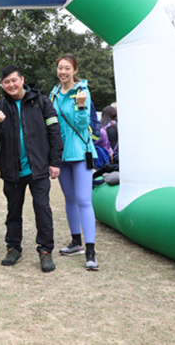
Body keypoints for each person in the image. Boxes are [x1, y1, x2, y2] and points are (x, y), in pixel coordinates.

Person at [0, 65, 63, 272]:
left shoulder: (41, 102)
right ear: (2, 85)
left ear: (22, 80)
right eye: (6, 82)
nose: (11, 85)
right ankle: (13, 248)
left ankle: (45, 251)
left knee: (42, 209)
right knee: (13, 212)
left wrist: (55, 162)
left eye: (14, 80)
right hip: (12, 170)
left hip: (38, 169)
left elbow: (55, 132)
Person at [50, 54, 100, 271]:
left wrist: (80, 105)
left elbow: (82, 125)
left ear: (75, 70)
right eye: (60, 68)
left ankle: (90, 251)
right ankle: (76, 242)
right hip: (61, 154)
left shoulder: (82, 91)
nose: (63, 72)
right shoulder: (53, 93)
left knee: (84, 200)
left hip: (80, 152)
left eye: (67, 68)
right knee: (69, 198)